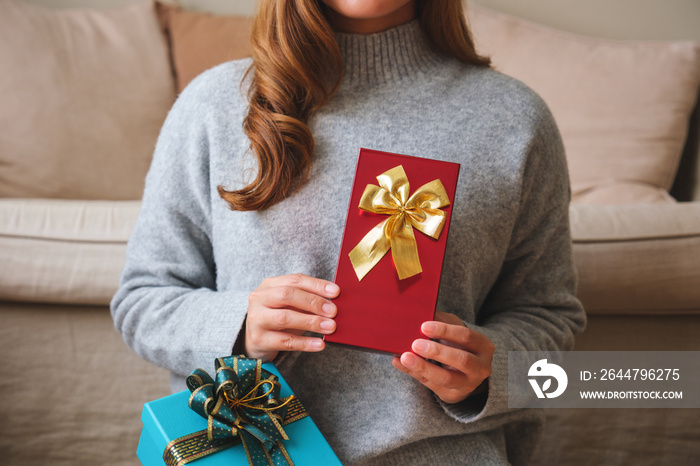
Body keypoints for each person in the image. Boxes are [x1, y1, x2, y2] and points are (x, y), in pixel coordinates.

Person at [111, 0, 586, 464]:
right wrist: (240, 326)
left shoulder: (515, 118)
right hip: (251, 452)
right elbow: (143, 299)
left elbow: (547, 316)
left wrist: (488, 370)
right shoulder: (212, 105)